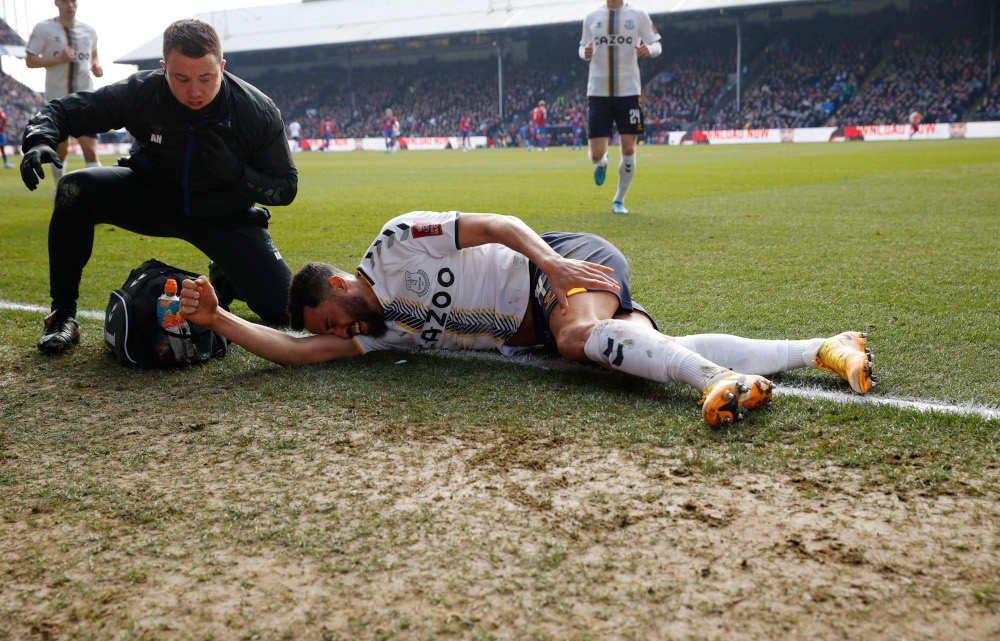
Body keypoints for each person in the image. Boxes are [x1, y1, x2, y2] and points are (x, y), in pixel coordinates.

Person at [179, 211, 876, 427]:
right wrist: (219, 323)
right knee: (637, 345)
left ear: (337, 283)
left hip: (560, 264)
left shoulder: (394, 244)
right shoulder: (384, 328)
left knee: (580, 337)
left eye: (330, 319)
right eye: (330, 332)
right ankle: (826, 347)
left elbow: (499, 223)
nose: (338, 334)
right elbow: (297, 352)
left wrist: (560, 267)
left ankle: (716, 381)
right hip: (540, 327)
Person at [19, 18, 297, 353]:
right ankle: (62, 314)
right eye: (181, 78)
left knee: (283, 309)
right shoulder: (142, 92)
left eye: (206, 77)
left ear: (222, 67)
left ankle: (224, 277)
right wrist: (38, 139)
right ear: (164, 68)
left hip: (223, 214)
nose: (194, 90)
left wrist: (235, 172)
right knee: (74, 188)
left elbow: (286, 187)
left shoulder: (255, 110)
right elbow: (66, 111)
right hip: (153, 196)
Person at [579, 0, 662, 214]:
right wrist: (584, 53)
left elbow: (657, 44)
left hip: (629, 93)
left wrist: (650, 50)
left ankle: (619, 200)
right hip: (598, 92)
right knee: (596, 154)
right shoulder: (591, 17)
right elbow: (582, 47)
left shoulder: (638, 14)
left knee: (628, 148)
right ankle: (603, 163)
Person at [25, 0, 104, 185]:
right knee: (61, 151)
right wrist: (58, 59)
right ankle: (59, 189)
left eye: (73, 0)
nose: (70, 4)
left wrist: (96, 66)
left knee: (90, 149)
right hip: (57, 101)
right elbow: (30, 60)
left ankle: (98, 199)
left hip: (85, 99)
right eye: (65, 0)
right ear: (56, 3)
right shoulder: (43, 28)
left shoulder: (89, 31)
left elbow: (94, 54)